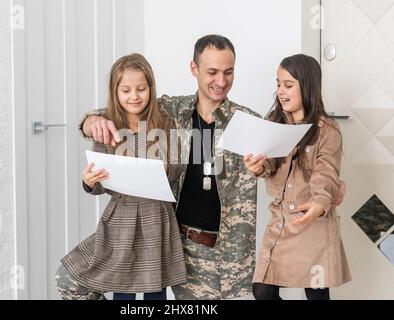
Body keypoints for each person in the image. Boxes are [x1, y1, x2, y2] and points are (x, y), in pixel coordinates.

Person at [79, 35, 261, 300]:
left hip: (229, 254)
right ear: (193, 69)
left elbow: (278, 162)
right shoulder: (172, 111)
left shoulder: (247, 122)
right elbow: (119, 107)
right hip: (181, 244)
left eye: (228, 72)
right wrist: (90, 121)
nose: (221, 82)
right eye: (212, 72)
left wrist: (264, 169)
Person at [55, 53, 187, 300]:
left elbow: (179, 165)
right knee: (121, 285)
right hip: (121, 217)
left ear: (151, 88)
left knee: (153, 289)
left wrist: (166, 168)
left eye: (141, 89)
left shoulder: (166, 122)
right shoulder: (107, 125)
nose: (134, 96)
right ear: (115, 92)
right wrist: (89, 181)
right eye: (125, 90)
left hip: (156, 215)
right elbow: (101, 182)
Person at [244, 54, 351, 300]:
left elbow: (326, 173)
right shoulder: (273, 122)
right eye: (278, 84)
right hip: (281, 220)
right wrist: (256, 167)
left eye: (288, 85)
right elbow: (267, 164)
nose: (281, 91)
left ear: (308, 86)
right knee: (262, 290)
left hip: (313, 222)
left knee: (316, 294)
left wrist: (318, 203)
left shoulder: (328, 130)